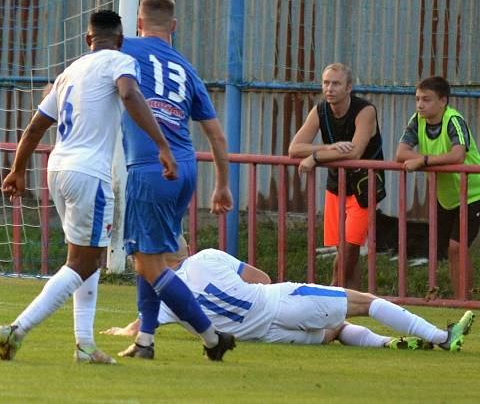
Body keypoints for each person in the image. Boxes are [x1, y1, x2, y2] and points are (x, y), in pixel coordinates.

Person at [0, 10, 178, 364]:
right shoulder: (121, 62)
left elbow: (34, 127)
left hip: (58, 170)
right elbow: (129, 95)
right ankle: (16, 329)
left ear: (87, 39)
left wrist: (17, 170)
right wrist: (162, 145)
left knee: (87, 259)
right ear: (120, 41)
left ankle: (85, 346)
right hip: (89, 174)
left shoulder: (69, 73)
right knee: (82, 262)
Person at [117, 0, 236, 362]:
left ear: (138, 23)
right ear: (174, 27)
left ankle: (213, 337)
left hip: (151, 165)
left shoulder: (124, 51)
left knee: (147, 262)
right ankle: (146, 340)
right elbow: (216, 134)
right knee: (152, 257)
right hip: (185, 168)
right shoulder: (186, 68)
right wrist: (222, 184)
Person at [103, 238, 475, 352]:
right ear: (176, 249)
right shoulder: (207, 257)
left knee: (333, 332)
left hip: (266, 336)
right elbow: (261, 277)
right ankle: (443, 337)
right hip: (278, 302)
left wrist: (122, 332)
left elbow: (140, 325)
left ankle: (387, 344)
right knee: (364, 301)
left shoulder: (166, 297)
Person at [289, 63, 385, 290]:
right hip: (336, 186)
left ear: (349, 87)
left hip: (364, 185)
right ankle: (353, 301)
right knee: (343, 248)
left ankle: (332, 293)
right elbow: (295, 148)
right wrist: (330, 147)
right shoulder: (320, 110)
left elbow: (355, 151)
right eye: (326, 83)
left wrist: (316, 157)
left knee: (351, 246)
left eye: (336, 83)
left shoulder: (365, 110)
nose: (329, 88)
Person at [395, 76, 480, 294]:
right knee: (450, 250)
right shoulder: (417, 120)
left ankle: (465, 301)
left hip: (473, 193)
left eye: (426, 100)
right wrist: (425, 158)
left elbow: (458, 154)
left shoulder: (454, 119)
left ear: (443, 101)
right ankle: (459, 299)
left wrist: (423, 161)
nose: (420, 105)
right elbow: (400, 153)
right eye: (417, 99)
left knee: (456, 247)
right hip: (447, 195)